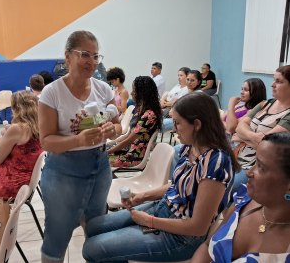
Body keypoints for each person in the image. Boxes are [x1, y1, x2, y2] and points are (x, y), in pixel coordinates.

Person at [83, 92, 241, 263]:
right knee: (93, 227)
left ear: (197, 124)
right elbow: (178, 185)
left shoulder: (217, 162)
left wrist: (149, 221)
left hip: (182, 237)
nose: (173, 129)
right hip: (163, 208)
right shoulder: (190, 147)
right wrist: (143, 196)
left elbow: (198, 227)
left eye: (178, 123)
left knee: (92, 248)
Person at [38, 31, 122, 263]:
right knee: (57, 232)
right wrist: (78, 140)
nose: (92, 62)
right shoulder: (52, 93)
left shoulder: (103, 89)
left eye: (96, 56)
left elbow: (118, 127)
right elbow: (46, 141)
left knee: (96, 226)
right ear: (68, 56)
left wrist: (109, 130)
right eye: (85, 54)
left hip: (99, 166)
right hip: (63, 171)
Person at [191, 132, 290, 263]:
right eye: (254, 162)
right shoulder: (244, 202)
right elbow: (207, 246)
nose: (249, 172)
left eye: (261, 167)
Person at [232, 65, 290, 195]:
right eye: (274, 80)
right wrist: (253, 137)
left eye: (279, 81)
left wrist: (243, 137)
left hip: (257, 165)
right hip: (237, 156)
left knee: (225, 187)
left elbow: (268, 145)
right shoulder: (265, 103)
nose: (272, 85)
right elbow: (239, 126)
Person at [107, 76, 162, 167]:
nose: (131, 93)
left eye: (134, 91)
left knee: (101, 161)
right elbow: (128, 136)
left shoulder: (149, 115)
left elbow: (128, 141)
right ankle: (113, 179)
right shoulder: (140, 109)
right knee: (100, 154)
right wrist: (109, 144)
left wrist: (108, 151)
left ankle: (113, 179)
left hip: (134, 156)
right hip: (128, 150)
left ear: (143, 93)